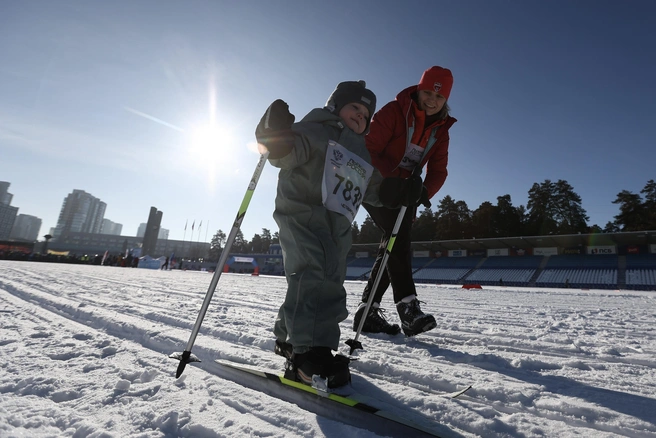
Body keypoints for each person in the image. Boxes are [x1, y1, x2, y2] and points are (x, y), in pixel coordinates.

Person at [255, 80, 382, 388]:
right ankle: (309, 354)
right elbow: (285, 153)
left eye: (366, 115)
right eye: (355, 107)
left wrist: (398, 190)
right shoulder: (318, 130)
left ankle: (288, 339)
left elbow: (374, 188)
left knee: (324, 278)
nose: (360, 117)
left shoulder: (360, 152)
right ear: (336, 106)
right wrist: (276, 136)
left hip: (337, 228)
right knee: (315, 276)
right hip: (303, 214)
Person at [353, 66, 457, 337]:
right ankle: (408, 308)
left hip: (405, 192)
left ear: (445, 100)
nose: (432, 101)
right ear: (419, 89)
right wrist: (390, 178)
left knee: (390, 244)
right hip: (376, 183)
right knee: (397, 239)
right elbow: (369, 148)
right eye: (427, 93)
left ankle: (368, 311)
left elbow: (438, 170)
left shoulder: (441, 130)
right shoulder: (394, 111)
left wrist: (422, 193)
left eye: (440, 97)